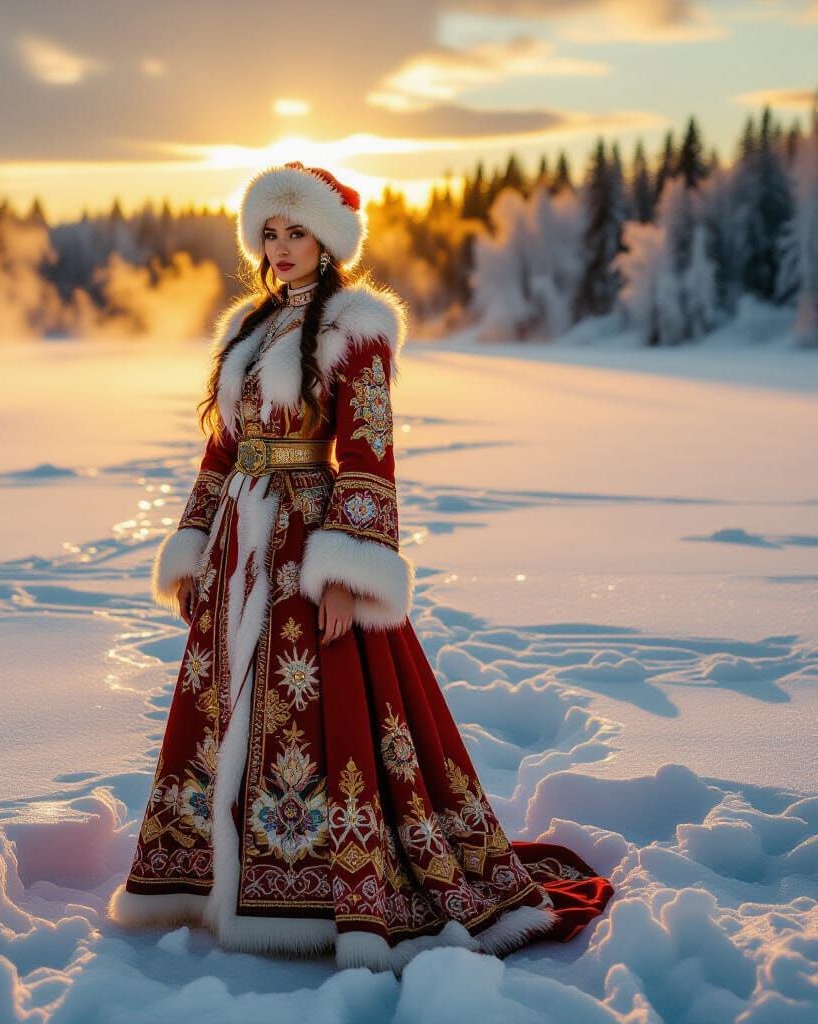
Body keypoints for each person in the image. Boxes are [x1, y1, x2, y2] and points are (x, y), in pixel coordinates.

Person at [106, 161, 612, 973]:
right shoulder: (247, 325)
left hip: (308, 538)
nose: (279, 247)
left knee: (324, 707)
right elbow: (219, 452)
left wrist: (343, 569)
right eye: (268, 232)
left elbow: (370, 454)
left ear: (327, 240)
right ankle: (211, 880)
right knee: (221, 707)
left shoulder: (356, 327)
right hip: (239, 542)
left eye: (295, 231)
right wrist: (196, 545)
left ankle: (316, 886)